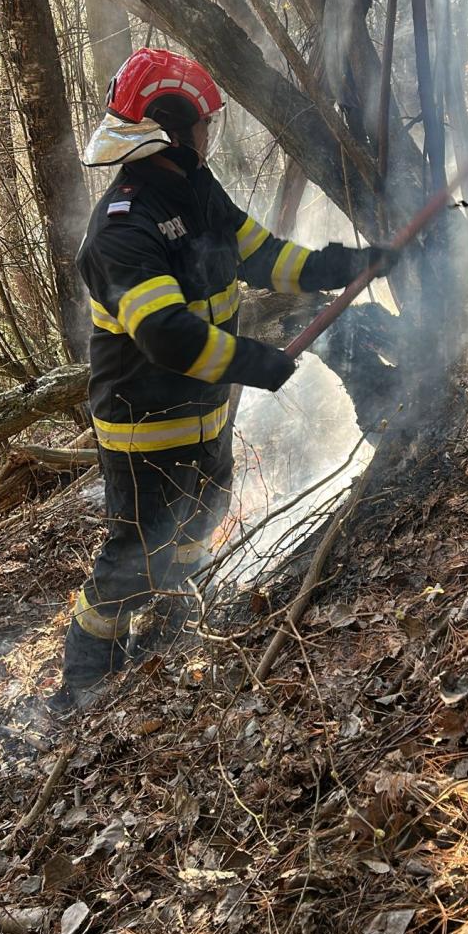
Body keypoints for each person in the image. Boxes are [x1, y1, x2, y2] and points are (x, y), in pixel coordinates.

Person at [56, 47, 395, 704]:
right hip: (144, 433)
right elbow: (165, 334)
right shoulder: (122, 230)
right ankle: (81, 689)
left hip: (208, 413)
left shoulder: (197, 191)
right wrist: (254, 362)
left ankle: (172, 634)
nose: (211, 133)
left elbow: (265, 255)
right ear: (172, 124)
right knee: (135, 560)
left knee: (198, 522)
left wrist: (350, 263)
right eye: (204, 121)